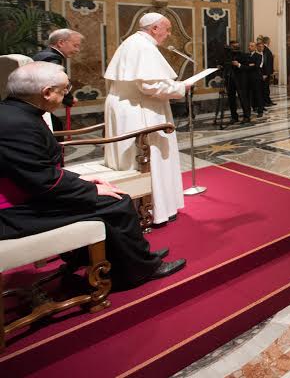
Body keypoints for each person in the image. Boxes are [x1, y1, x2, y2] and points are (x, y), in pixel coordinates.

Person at [0, 62, 186, 286]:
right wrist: (91, 189)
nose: (66, 94)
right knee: (117, 201)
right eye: (64, 90)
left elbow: (34, 170)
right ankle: (140, 269)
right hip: (13, 213)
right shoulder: (19, 124)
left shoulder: (14, 112)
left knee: (108, 197)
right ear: (47, 93)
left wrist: (80, 179)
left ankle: (133, 256)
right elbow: (43, 181)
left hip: (27, 195)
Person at [103, 13, 189, 226]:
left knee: (132, 158)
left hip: (128, 107)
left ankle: (138, 208)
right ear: (154, 28)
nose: (168, 34)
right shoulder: (144, 47)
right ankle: (153, 209)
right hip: (139, 110)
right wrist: (181, 87)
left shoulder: (131, 43)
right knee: (150, 156)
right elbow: (150, 85)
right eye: (167, 29)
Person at [32, 28, 84, 130]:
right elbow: (58, 82)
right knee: (56, 127)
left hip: (35, 103)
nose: (77, 50)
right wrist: (69, 99)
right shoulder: (52, 58)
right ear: (61, 43)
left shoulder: (44, 54)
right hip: (37, 104)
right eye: (75, 45)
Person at [222, 40, 251, 123]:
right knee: (231, 99)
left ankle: (247, 116)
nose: (236, 47)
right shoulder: (227, 55)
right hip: (230, 79)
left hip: (240, 80)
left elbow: (247, 67)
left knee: (243, 98)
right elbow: (224, 64)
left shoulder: (243, 55)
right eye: (233, 46)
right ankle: (234, 117)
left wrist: (238, 65)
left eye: (237, 46)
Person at [245, 41, 265, 117]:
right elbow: (245, 65)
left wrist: (249, 65)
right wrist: (250, 65)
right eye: (249, 46)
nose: (249, 47)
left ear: (255, 47)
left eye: (251, 46)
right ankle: (253, 108)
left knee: (258, 94)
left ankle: (260, 111)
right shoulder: (246, 55)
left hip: (256, 78)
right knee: (250, 95)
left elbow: (256, 66)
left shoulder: (258, 56)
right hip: (248, 78)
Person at [258, 37, 275, 106]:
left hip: (267, 72)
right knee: (265, 88)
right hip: (265, 73)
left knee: (266, 88)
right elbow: (265, 63)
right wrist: (266, 74)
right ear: (268, 41)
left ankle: (268, 101)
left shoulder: (266, 49)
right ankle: (266, 101)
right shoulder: (265, 49)